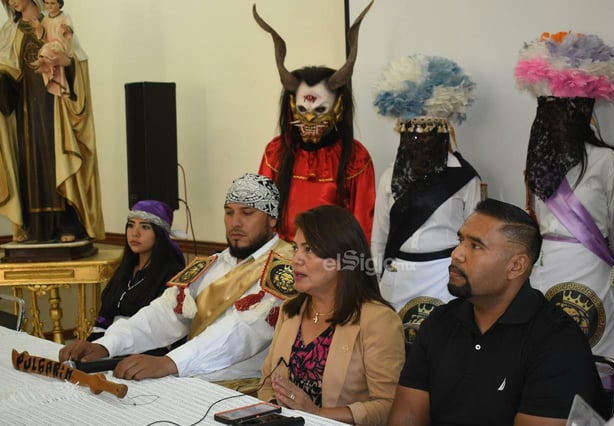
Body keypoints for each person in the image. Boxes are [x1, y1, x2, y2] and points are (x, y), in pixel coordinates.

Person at [59, 173, 296, 382]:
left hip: (243, 387)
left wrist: (170, 363)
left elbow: (242, 331)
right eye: (229, 212)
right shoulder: (211, 264)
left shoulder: (286, 268)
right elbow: (164, 312)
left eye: (247, 213)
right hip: (189, 375)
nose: (235, 222)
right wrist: (106, 345)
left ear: (272, 219)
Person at [388, 199, 603, 426]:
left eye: (475, 246)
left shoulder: (557, 342)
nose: (456, 254)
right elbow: (406, 418)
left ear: (516, 266)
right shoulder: (439, 322)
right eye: (460, 240)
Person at [515, 31, 614, 368]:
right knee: (547, 358)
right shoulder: (537, 165)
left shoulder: (609, 161)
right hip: (546, 269)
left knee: (597, 357)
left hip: (594, 266)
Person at [259, 205, 404, 425]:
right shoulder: (291, 311)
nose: (296, 259)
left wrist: (316, 413)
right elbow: (267, 382)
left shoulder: (378, 321)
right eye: (295, 248)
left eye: (308, 249)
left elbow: (388, 406)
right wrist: (279, 412)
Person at [370, 54, 481, 328]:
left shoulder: (465, 177)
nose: (419, 142)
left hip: (444, 276)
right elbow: (379, 236)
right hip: (398, 275)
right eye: (412, 136)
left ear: (441, 134)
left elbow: (476, 238)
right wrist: (375, 280)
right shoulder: (389, 176)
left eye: (426, 135)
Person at [253, 2, 376, 243]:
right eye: (302, 109)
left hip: (331, 261)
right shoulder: (276, 152)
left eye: (320, 109)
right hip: (280, 259)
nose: (309, 118)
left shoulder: (355, 159)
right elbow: (262, 213)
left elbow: (364, 224)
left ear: (338, 108)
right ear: (291, 107)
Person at [0, 0, 104, 243]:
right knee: (31, 164)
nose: (12, 0)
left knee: (56, 160)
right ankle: (34, 227)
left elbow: (77, 61)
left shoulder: (55, 21)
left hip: (56, 108)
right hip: (27, 112)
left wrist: (64, 63)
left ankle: (67, 223)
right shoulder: (9, 31)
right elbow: (9, 75)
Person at [87, 200, 186, 348]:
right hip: (108, 346)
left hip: (146, 350)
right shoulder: (125, 270)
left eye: (145, 227)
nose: (135, 233)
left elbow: (160, 327)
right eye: (131, 225)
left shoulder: (171, 274)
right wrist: (91, 345)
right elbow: (104, 318)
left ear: (159, 234)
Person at [36, 0, 73, 97]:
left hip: (61, 44)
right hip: (51, 44)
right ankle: (43, 63)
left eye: (52, 3)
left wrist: (67, 29)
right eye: (47, 3)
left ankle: (43, 64)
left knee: (49, 49)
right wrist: (38, 27)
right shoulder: (46, 18)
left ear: (59, 4)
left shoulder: (64, 15)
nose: (49, 6)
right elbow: (43, 35)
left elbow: (69, 30)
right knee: (45, 48)